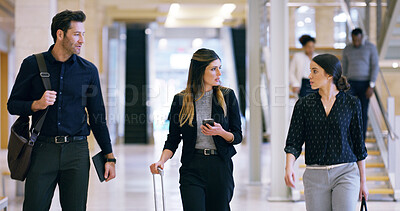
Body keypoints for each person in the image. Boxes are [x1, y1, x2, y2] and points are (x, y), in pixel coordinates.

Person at [7, 10, 116, 211]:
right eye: (76, 34)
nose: (82, 40)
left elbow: (97, 117)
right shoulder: (32, 64)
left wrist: (109, 157)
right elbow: (12, 104)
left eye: (83, 34)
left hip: (77, 152)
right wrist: (36, 104)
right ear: (60, 34)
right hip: (42, 149)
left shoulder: (88, 70)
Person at [150, 48, 242, 211]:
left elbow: (237, 136)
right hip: (192, 167)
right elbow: (173, 139)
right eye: (213, 69)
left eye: (220, 68)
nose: (219, 73)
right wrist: (161, 161)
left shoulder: (228, 96)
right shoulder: (181, 100)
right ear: (200, 71)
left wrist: (221, 132)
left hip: (220, 167)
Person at [284, 54, 368, 211]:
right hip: (315, 175)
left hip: (346, 173)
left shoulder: (352, 103)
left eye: (314, 71)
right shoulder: (304, 105)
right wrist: (288, 167)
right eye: (310, 71)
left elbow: (359, 145)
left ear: (329, 74)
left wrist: (363, 181)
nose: (309, 76)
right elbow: (293, 141)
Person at [342, 28, 379, 140]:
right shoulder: (347, 49)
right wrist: (344, 83)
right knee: (348, 110)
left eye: (358, 40)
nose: (356, 43)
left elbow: (375, 66)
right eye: (354, 40)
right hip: (351, 83)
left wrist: (371, 85)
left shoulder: (370, 47)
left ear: (362, 37)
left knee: (363, 111)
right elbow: (344, 66)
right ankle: (349, 137)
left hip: (365, 84)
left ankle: (361, 140)